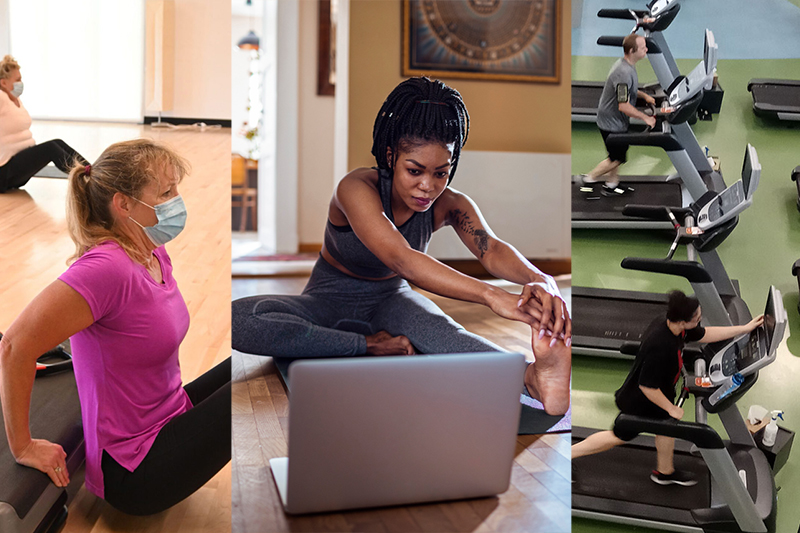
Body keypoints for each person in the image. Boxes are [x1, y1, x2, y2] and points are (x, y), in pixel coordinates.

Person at [232, 77, 571, 416]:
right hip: (326, 304)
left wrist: (540, 278)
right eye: (415, 170)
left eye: (441, 172)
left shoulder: (450, 204)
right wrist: (492, 295)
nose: (428, 186)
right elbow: (402, 258)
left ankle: (530, 378)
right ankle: (366, 345)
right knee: (240, 320)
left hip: (391, 303)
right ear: (392, 156)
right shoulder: (356, 188)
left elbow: (491, 249)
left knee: (441, 331)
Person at [0, 139, 231, 515]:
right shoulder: (107, 268)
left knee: (253, 364)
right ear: (123, 203)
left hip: (169, 418)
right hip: (134, 467)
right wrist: (23, 445)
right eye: (166, 191)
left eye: (176, 189)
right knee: (246, 390)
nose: (177, 200)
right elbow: (14, 346)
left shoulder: (152, 250)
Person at [571, 290, 764, 486]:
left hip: (659, 395)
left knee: (665, 429)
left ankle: (664, 472)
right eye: (697, 317)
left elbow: (705, 334)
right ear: (682, 321)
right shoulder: (661, 346)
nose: (700, 319)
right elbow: (647, 387)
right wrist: (671, 408)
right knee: (618, 437)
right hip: (641, 402)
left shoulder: (674, 325)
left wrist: (744, 329)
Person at [580, 33, 657, 196]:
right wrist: (645, 118)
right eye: (643, 48)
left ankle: (612, 184)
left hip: (615, 120)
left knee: (616, 154)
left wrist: (644, 96)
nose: (646, 50)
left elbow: (628, 90)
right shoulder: (623, 72)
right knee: (617, 158)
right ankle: (588, 178)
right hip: (611, 122)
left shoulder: (628, 65)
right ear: (631, 50)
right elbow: (623, 106)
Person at [0, 55, 88, 193]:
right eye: (17, 80)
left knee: (57, 142)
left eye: (21, 79)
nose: (20, 83)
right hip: (5, 172)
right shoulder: (1, 98)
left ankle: (93, 172)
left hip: (18, 164)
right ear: (3, 83)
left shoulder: (16, 100)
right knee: (50, 149)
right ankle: (91, 180)